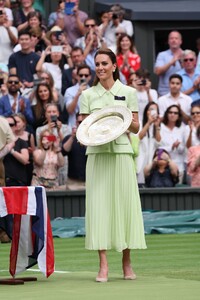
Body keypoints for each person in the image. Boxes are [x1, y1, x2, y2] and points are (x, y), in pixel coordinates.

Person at [80, 48, 146, 282]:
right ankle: (103, 266)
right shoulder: (87, 95)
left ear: (114, 66)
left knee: (125, 206)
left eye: (104, 63)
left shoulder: (128, 92)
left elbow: (137, 127)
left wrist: (121, 119)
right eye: (97, 64)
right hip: (97, 156)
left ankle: (127, 263)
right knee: (99, 208)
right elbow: (83, 129)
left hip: (121, 154)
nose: (100, 67)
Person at [136, 102, 161, 186]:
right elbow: (139, 137)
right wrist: (149, 123)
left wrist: (157, 126)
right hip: (140, 159)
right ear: (147, 111)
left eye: (155, 109)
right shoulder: (140, 122)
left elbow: (158, 143)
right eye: (151, 109)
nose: (153, 111)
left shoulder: (158, 125)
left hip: (151, 163)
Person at [160, 104, 185, 183]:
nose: (172, 114)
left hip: (179, 167)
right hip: (163, 167)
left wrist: (177, 146)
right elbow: (158, 148)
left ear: (178, 115)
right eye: (170, 112)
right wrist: (171, 147)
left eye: (175, 113)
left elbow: (183, 150)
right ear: (167, 114)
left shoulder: (182, 128)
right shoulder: (160, 127)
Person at [61, 113, 86, 190]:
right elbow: (64, 152)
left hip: (92, 180)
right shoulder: (69, 138)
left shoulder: (95, 138)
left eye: (85, 122)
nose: (83, 124)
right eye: (80, 122)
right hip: (74, 181)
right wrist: (72, 137)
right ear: (76, 122)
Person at [0, 115, 15, 243]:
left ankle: (4, 233)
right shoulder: (3, 121)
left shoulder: (2, 121)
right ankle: (4, 233)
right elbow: (11, 143)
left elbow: (11, 143)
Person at [154, 30, 183, 96]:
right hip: (164, 92)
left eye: (176, 38)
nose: (174, 40)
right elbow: (157, 71)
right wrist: (171, 62)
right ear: (168, 41)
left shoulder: (186, 55)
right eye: (171, 38)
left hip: (182, 92)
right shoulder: (162, 55)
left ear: (180, 41)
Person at [4, 116, 29, 186]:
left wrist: (12, 151)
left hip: (18, 181)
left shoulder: (22, 142)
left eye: (11, 125)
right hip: (2, 181)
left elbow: (25, 160)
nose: (8, 127)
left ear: (15, 127)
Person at [64, 64, 92, 129]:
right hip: (74, 126)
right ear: (77, 76)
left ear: (90, 77)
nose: (83, 78)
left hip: (89, 126)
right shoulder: (69, 91)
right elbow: (70, 110)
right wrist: (78, 94)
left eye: (86, 75)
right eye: (81, 75)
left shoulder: (93, 91)